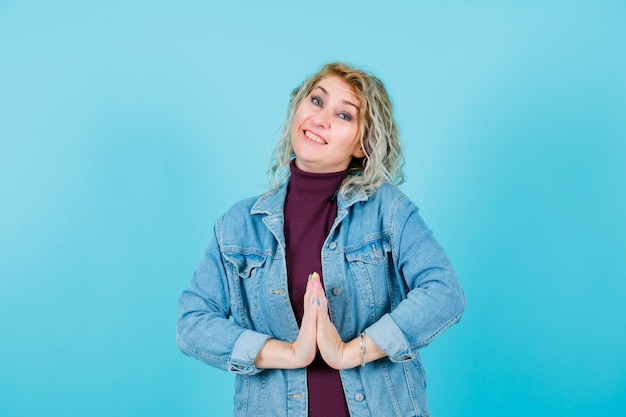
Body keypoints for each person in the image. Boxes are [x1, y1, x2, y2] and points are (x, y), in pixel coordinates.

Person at [177, 62, 465, 417]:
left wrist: (351, 352)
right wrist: (291, 354)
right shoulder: (238, 225)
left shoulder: (388, 211)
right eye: (316, 101)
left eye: (344, 115)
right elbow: (192, 322)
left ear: (362, 144)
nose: (321, 118)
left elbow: (444, 293)